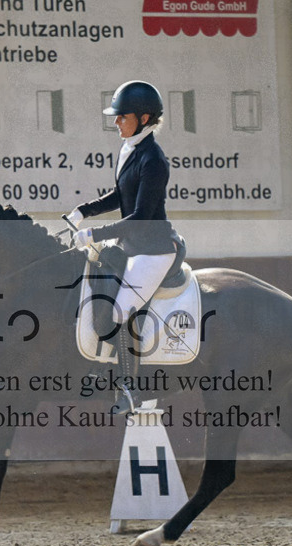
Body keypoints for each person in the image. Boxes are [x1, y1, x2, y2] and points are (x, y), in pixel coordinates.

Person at [67, 80, 182, 415]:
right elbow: (121, 194)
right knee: (95, 283)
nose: (116, 121)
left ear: (144, 118)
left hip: (154, 249)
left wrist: (95, 233)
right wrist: (84, 211)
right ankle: (101, 364)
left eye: (122, 116)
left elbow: (141, 217)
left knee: (122, 310)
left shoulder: (154, 160)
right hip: (131, 244)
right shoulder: (129, 148)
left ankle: (130, 389)